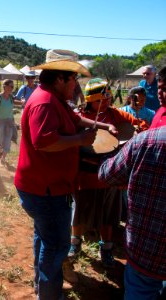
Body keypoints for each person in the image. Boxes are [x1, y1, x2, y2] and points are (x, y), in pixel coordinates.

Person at [14, 49, 118, 300]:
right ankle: (49, 295)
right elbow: (43, 141)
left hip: (45, 186)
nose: (77, 85)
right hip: (45, 189)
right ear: (60, 78)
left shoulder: (55, 99)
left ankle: (43, 288)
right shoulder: (45, 102)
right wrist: (79, 140)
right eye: (74, 79)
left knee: (44, 237)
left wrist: (102, 125)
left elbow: (76, 118)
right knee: (56, 246)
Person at [68, 78, 148, 268]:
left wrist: (138, 130)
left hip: (109, 174)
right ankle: (75, 243)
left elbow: (139, 125)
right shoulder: (78, 116)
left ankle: (106, 249)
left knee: (108, 215)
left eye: (108, 99)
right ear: (89, 100)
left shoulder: (116, 115)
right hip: (84, 174)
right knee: (79, 211)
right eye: (100, 101)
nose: (105, 103)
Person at [98, 127, 165, 300]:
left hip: (146, 251)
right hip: (148, 251)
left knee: (141, 292)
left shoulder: (145, 141)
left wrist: (107, 154)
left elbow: (107, 174)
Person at [0, 79, 23, 167]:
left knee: (8, 140)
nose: (12, 88)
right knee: (0, 140)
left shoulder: (11, 97)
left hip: (10, 121)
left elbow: (14, 102)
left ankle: (3, 158)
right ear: (5, 87)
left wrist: (23, 103)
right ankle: (0, 150)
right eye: (11, 86)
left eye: (13, 87)